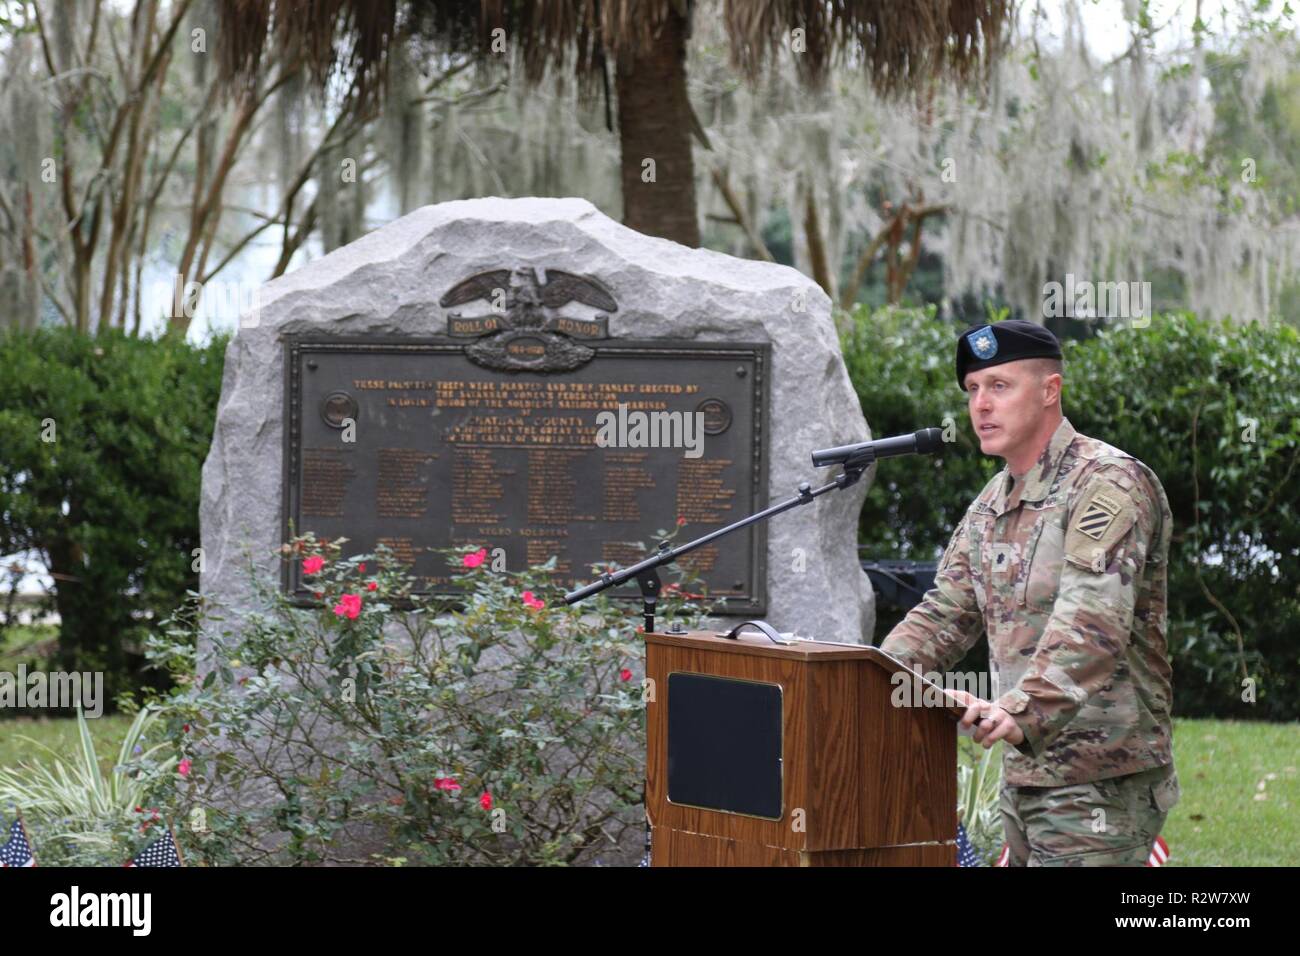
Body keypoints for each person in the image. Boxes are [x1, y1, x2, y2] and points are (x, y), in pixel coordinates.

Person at [879, 319, 1181, 867]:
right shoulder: (993, 503)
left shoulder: (1107, 483)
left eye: (999, 386)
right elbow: (943, 615)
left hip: (1101, 779)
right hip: (1025, 772)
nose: (981, 405)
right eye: (972, 390)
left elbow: (1093, 624)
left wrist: (1023, 709)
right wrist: (867, 681)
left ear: (1050, 391)